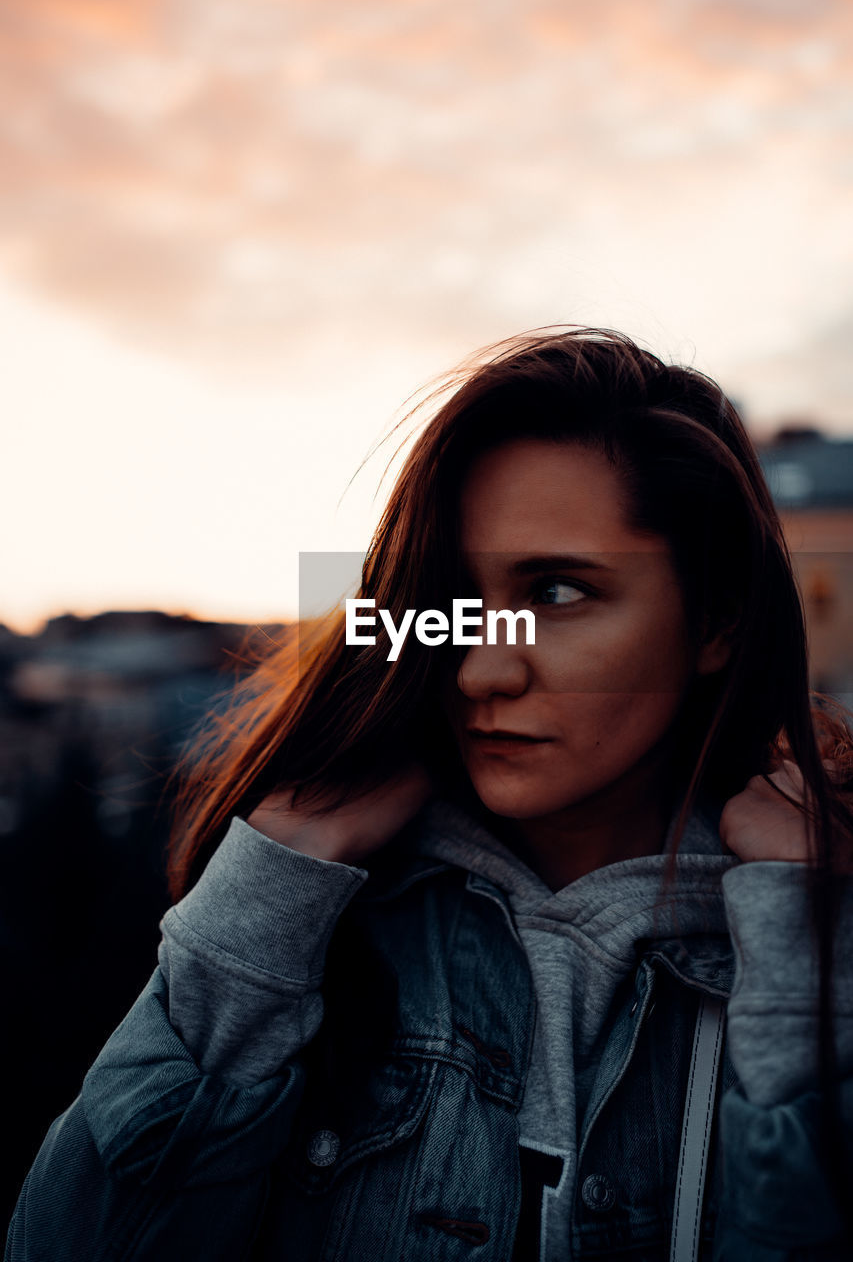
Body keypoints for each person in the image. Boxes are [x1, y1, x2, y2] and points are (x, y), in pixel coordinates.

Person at [6, 328, 853, 1262]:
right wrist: (268, 891)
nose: (480, 670)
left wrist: (798, 953)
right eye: (449, 602)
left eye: (559, 592)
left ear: (716, 620)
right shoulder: (319, 928)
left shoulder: (810, 927)